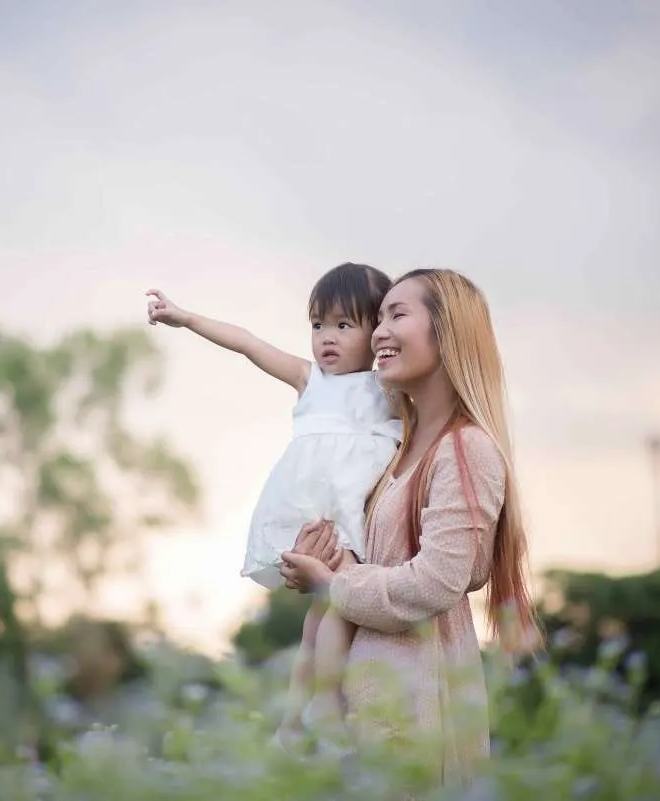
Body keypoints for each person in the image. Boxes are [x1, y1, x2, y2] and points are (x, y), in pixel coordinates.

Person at [279, 268, 540, 788]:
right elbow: (372, 569)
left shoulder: (466, 450)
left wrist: (333, 584)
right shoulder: (395, 451)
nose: (378, 332)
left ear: (447, 334)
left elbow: (433, 584)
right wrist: (324, 557)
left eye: (397, 315)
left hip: (417, 712)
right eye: (379, 318)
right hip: (361, 712)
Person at [145, 263, 401, 751]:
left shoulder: (384, 388)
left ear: (376, 333)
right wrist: (186, 318)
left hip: (352, 510)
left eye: (344, 325)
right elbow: (247, 343)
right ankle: (310, 708)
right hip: (317, 513)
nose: (327, 337)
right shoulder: (311, 381)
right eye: (318, 324)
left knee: (329, 609)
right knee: (329, 608)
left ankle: (306, 713)